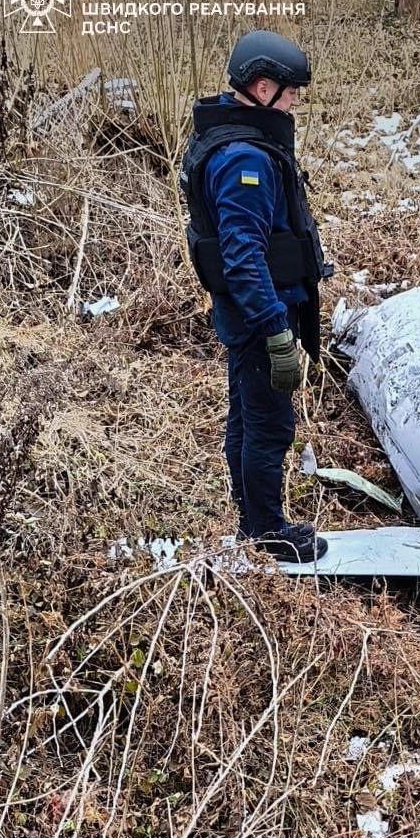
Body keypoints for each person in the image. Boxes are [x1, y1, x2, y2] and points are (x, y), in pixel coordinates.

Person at [178, 29, 332, 562]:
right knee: (268, 425)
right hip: (259, 315)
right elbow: (243, 258)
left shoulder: (239, 137)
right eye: (290, 91)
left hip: (251, 311)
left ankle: (252, 519)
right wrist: (275, 332)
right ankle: (266, 531)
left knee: (247, 417)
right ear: (262, 87)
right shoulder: (246, 160)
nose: (295, 101)